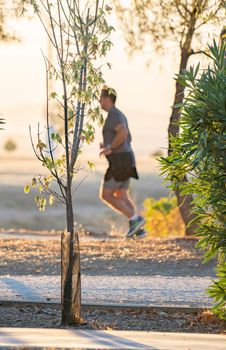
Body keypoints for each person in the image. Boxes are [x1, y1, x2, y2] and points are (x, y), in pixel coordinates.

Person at [99, 85, 146, 238]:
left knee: (106, 194)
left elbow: (123, 133)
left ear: (107, 99)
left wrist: (111, 148)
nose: (99, 102)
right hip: (126, 158)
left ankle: (135, 219)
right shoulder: (118, 114)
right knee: (122, 195)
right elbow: (125, 137)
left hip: (120, 160)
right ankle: (137, 230)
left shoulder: (114, 115)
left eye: (101, 98)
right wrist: (107, 145)